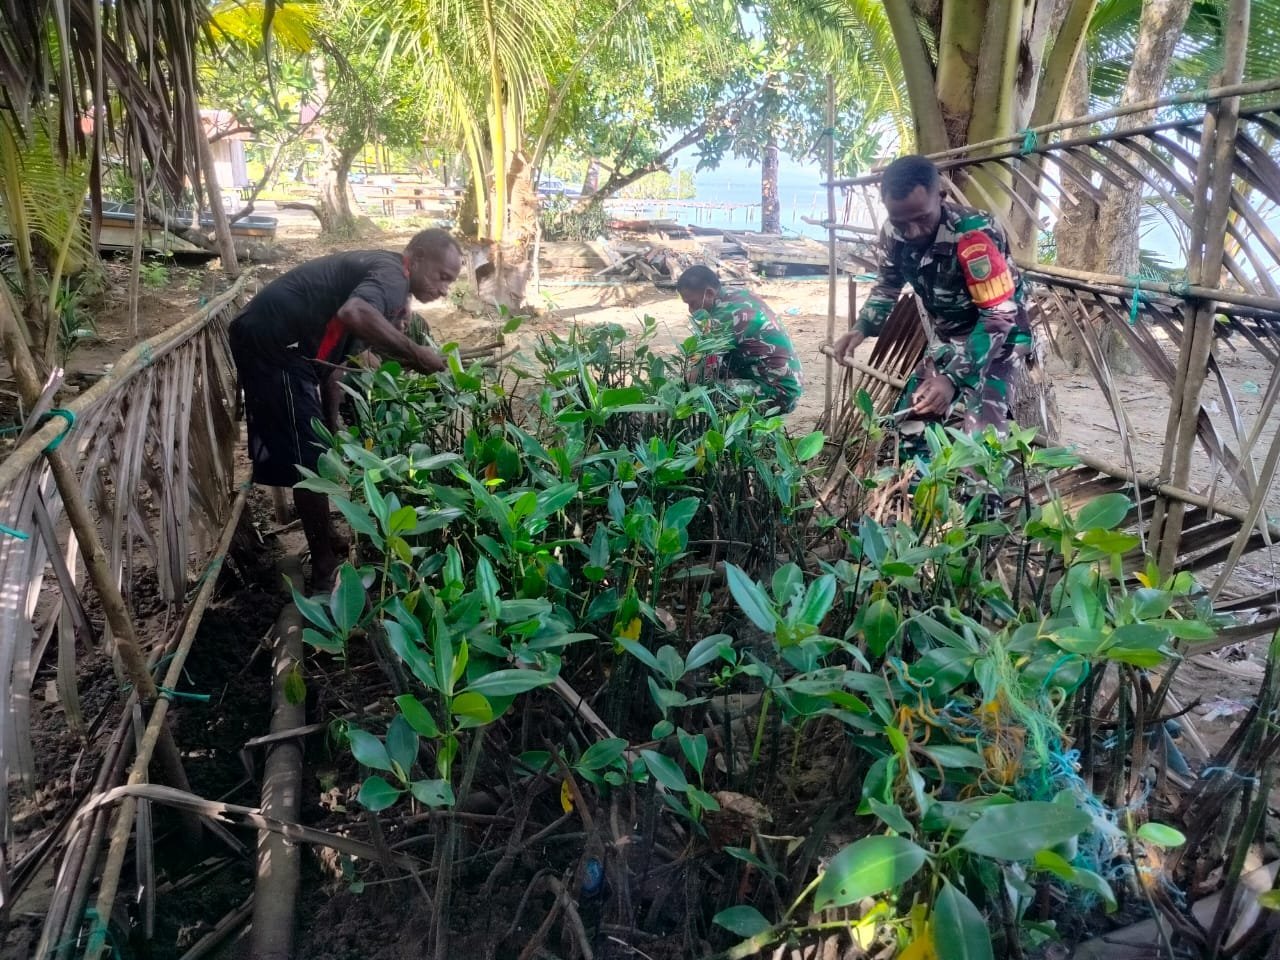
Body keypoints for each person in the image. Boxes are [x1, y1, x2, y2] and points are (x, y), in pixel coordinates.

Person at [229, 228, 462, 588]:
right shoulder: (391, 275)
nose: (444, 289)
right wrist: (416, 354)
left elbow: (334, 368)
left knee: (318, 449)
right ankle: (323, 566)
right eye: (442, 276)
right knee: (308, 461)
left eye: (451, 282)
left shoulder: (385, 287)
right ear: (415, 260)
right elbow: (355, 312)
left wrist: (331, 426)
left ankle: (326, 541)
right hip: (273, 344)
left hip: (287, 347)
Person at [830, 154, 1032, 460]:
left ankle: (983, 503)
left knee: (980, 451)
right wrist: (863, 327)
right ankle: (919, 503)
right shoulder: (893, 233)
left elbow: (998, 315)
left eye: (921, 219)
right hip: (951, 336)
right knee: (912, 426)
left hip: (1001, 339)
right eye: (901, 221)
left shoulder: (974, 235)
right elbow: (887, 283)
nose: (912, 232)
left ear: (941, 196)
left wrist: (952, 379)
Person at [675, 266, 803, 414]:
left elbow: (702, 371)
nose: (690, 310)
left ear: (709, 293)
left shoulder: (726, 317)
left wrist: (675, 397)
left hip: (776, 391)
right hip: (785, 382)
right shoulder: (735, 294)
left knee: (707, 391)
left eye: (692, 303)